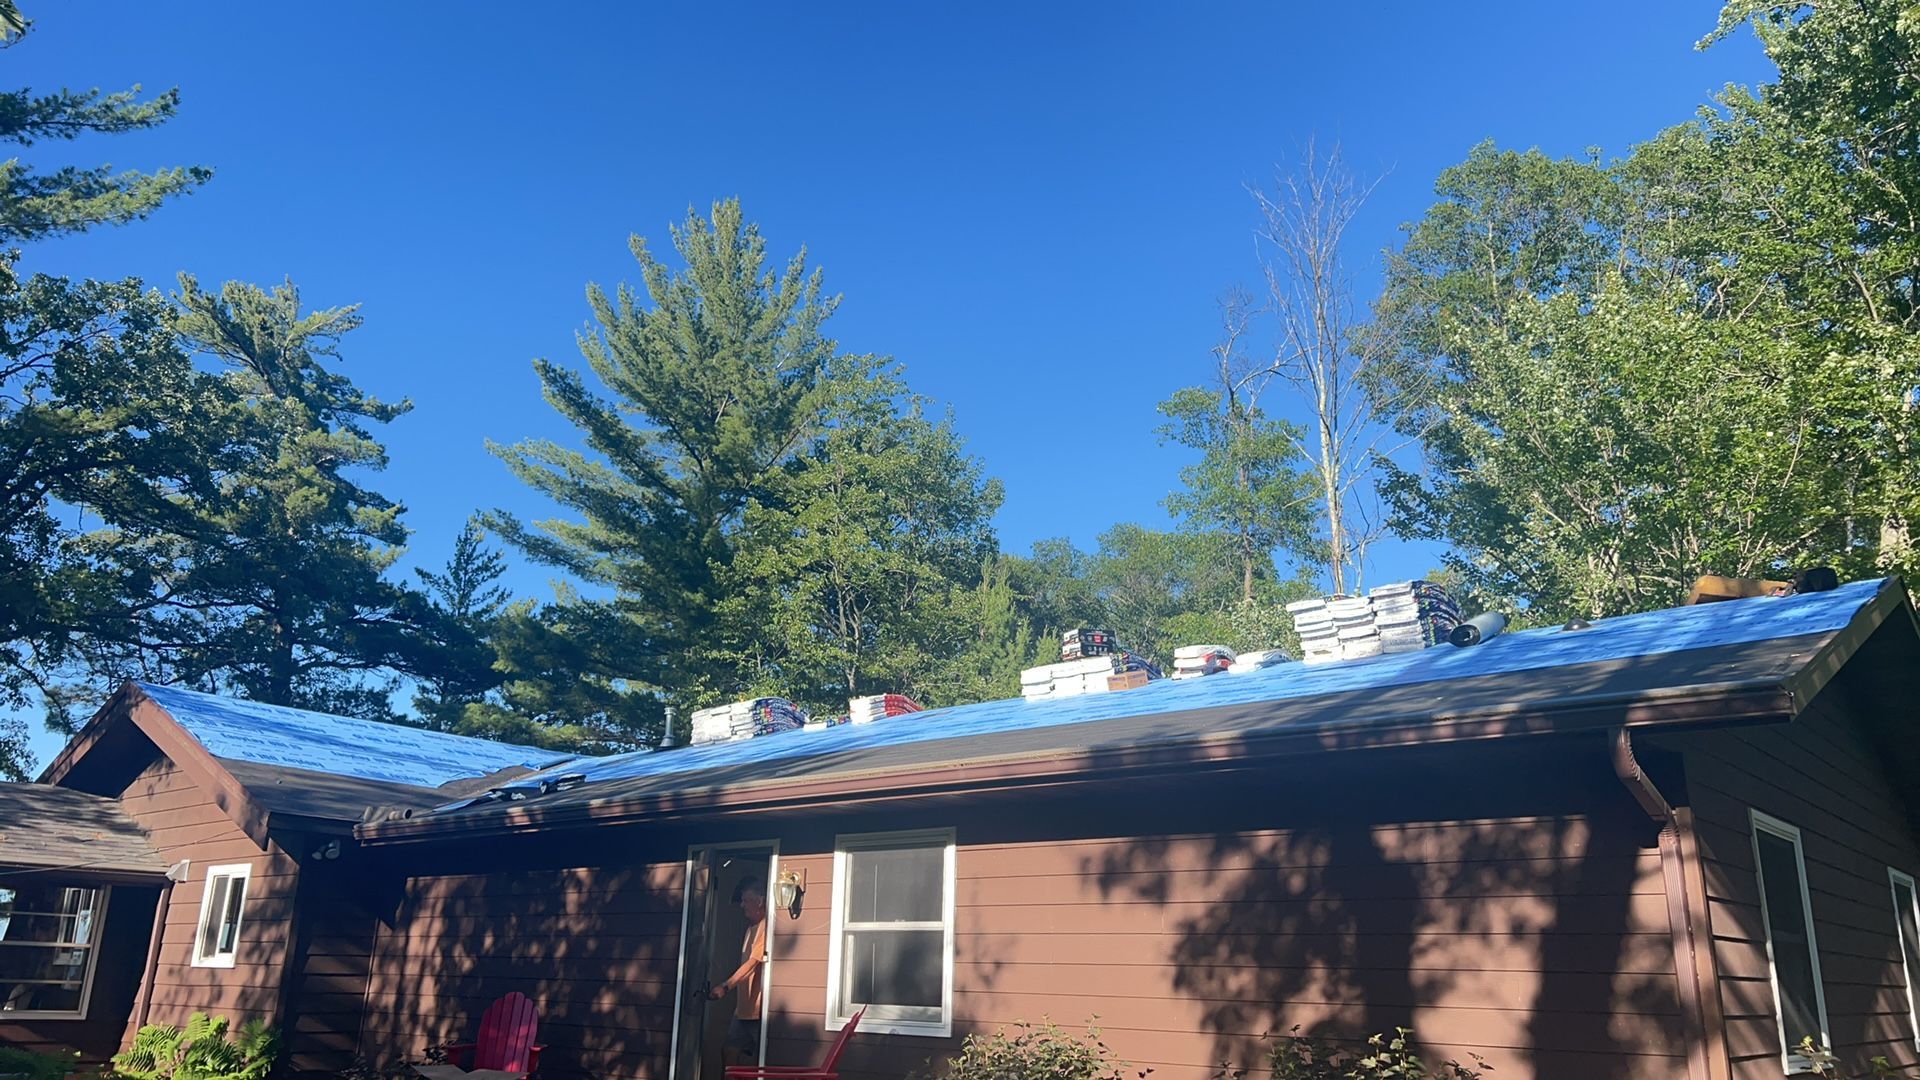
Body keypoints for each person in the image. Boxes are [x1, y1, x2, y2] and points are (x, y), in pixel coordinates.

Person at [709, 876, 769, 1067]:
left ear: (759, 901)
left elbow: (753, 963)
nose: (742, 905)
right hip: (743, 1009)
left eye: (746, 900)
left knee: (762, 1058)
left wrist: (726, 986)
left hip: (758, 1010)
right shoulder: (751, 928)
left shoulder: (766, 927)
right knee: (729, 1051)